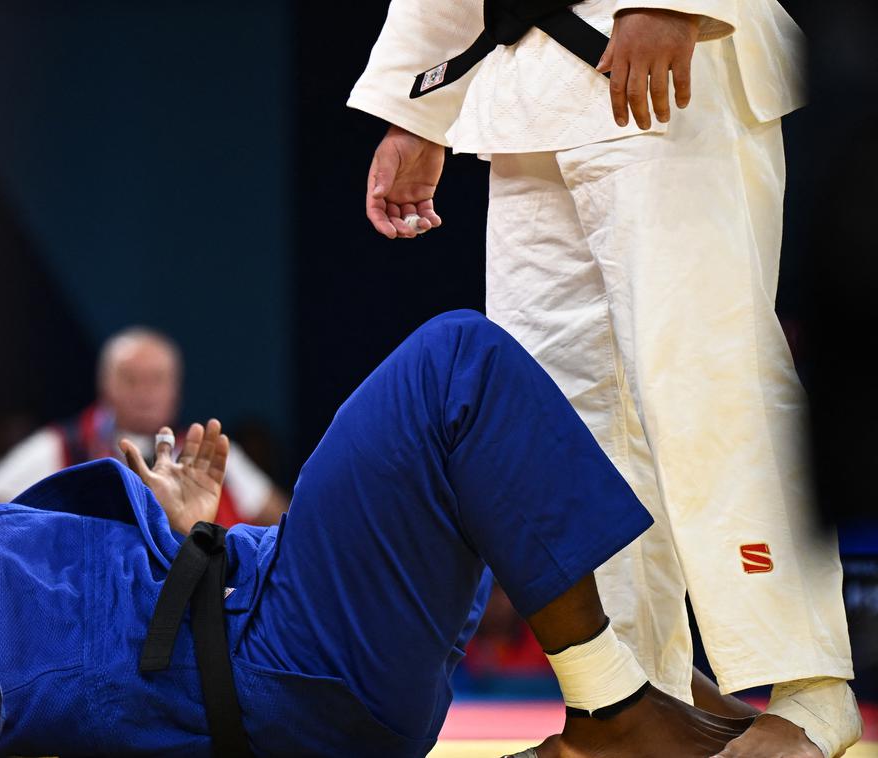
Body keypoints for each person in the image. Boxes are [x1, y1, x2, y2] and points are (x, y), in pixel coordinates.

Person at [0, 311, 760, 757]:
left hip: (276, 620)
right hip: (284, 664)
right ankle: (612, 716)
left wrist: (183, 527)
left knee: (479, 431)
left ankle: (638, 685)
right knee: (455, 364)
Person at [349, 2, 861, 757]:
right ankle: (631, 703)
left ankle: (810, 688)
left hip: (669, 58)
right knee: (560, 420)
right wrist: (416, 113)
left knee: (710, 377)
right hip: (523, 88)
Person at [0, 327, 289, 527]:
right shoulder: (59, 445)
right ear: (105, 386)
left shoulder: (209, 450)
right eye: (131, 379)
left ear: (177, 390)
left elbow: (284, 522)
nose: (145, 392)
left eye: (157, 380)